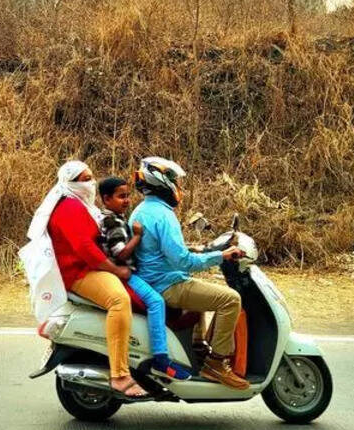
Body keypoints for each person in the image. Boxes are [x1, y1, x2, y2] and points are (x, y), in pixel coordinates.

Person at [24, 160, 148, 398]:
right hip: (80, 273)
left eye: (91, 177)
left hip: (90, 268)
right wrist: (115, 269)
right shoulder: (69, 207)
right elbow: (85, 249)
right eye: (84, 179)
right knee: (119, 300)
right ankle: (120, 375)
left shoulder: (80, 204)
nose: (90, 183)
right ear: (70, 183)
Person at [129, 156, 251, 390]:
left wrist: (197, 248)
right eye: (175, 181)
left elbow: (157, 250)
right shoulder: (164, 216)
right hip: (166, 285)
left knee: (200, 292)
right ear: (164, 182)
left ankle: (198, 347)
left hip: (152, 280)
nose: (179, 187)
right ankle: (216, 362)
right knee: (230, 299)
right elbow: (183, 262)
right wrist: (220, 256)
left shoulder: (142, 211)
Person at [97, 176, 192, 381]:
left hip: (127, 272)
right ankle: (160, 358)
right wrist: (138, 237)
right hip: (124, 274)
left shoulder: (118, 217)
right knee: (156, 301)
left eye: (128, 195)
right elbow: (121, 253)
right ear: (106, 199)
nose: (127, 200)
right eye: (121, 197)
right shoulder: (111, 220)